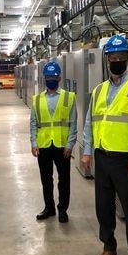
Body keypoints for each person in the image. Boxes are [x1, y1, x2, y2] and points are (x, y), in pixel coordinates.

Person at [81, 35, 128, 255]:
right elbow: (90, 122)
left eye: (121, 57)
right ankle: (108, 246)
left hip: (126, 158)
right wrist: (87, 151)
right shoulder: (99, 90)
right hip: (102, 156)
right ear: (107, 59)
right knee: (103, 205)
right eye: (113, 57)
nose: (117, 61)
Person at [30, 61, 77, 223]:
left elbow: (73, 123)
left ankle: (62, 209)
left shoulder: (68, 97)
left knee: (64, 180)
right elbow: (33, 123)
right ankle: (49, 208)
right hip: (43, 146)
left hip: (62, 146)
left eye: (54, 77)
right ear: (44, 78)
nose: (51, 79)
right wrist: (33, 143)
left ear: (60, 78)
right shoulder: (37, 99)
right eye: (48, 77)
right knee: (46, 179)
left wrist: (70, 144)